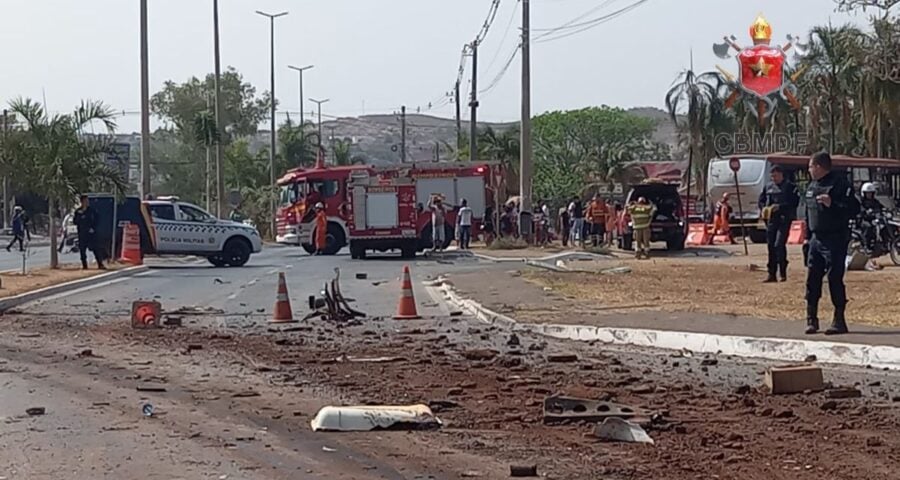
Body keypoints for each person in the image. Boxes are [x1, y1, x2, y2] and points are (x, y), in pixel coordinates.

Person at [804, 152, 858, 335]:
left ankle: (839, 320)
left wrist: (832, 203)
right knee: (812, 279)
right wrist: (806, 237)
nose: (809, 170)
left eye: (810, 166)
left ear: (819, 167)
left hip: (835, 239)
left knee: (834, 278)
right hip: (815, 239)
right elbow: (808, 212)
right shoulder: (812, 185)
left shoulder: (839, 184)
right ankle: (811, 319)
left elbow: (854, 209)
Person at [758, 166, 799, 283]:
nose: (773, 178)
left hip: (784, 219)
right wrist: (763, 208)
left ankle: (782, 272)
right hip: (771, 220)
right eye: (772, 176)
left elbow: (794, 203)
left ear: (781, 175)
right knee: (771, 245)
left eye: (775, 176)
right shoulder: (768, 187)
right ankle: (771, 274)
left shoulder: (790, 187)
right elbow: (761, 200)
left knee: (779, 244)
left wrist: (780, 207)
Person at [73, 195, 105, 269]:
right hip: (82, 233)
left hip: (91, 233)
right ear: (82, 202)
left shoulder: (92, 211)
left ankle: (100, 264)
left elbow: (97, 219)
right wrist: (80, 216)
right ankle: (84, 265)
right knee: (82, 250)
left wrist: (93, 228)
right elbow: (75, 221)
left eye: (87, 201)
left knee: (95, 248)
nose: (87, 202)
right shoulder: (78, 211)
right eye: (85, 201)